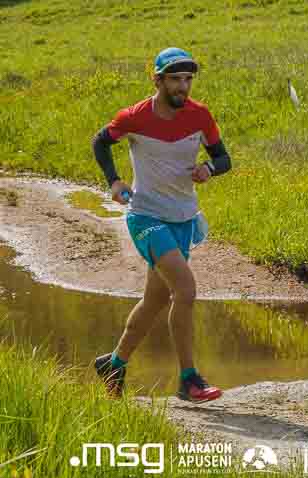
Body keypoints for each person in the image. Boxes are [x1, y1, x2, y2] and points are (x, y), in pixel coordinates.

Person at [91, 47, 231, 403]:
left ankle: (114, 363)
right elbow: (100, 142)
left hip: (183, 217)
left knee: (155, 299)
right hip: (146, 215)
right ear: (158, 81)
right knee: (185, 289)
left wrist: (209, 169)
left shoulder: (200, 115)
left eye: (188, 79)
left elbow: (223, 158)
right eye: (175, 79)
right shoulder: (134, 117)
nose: (183, 86)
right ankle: (189, 379)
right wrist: (114, 181)